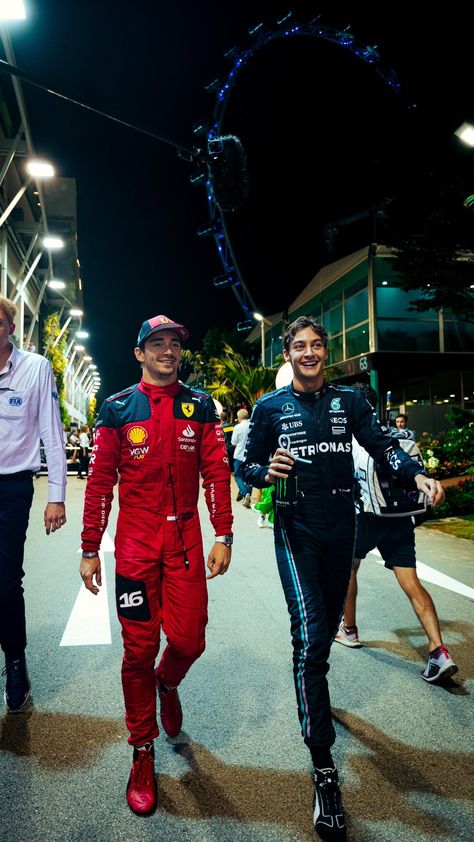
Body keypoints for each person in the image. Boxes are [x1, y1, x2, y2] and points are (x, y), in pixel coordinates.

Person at [241, 315, 443, 841]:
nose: (309, 353)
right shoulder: (269, 408)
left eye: (316, 346)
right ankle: (324, 768)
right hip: (296, 527)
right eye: (299, 346)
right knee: (308, 638)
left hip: (342, 525)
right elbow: (244, 463)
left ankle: (317, 698)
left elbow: (384, 446)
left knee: (326, 633)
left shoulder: (350, 401)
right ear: (287, 354)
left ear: (325, 352)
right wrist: (264, 474)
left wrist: (415, 472)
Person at [80, 313, 233, 815]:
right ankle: (142, 750)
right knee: (136, 653)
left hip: (186, 540)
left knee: (190, 640)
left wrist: (224, 533)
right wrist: (88, 548)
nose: (168, 350)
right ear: (140, 353)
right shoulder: (117, 408)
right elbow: (100, 483)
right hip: (136, 548)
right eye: (157, 343)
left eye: (174, 344)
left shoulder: (200, 404)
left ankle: (169, 683)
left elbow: (216, 472)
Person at [335, 383, 456, 683]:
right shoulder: (392, 436)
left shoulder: (353, 437)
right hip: (399, 519)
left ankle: (348, 630)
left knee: (349, 569)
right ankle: (438, 651)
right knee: (411, 583)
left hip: (364, 517)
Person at [0, 295, 67, 712]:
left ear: (10, 327)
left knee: (5, 581)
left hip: (12, 488)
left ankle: (16, 662)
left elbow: (51, 432)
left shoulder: (35, 368)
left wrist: (55, 496)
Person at [231, 408, 252, 507]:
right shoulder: (253, 426)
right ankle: (247, 493)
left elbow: (233, 442)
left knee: (237, 475)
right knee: (249, 475)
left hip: (239, 454)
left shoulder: (237, 427)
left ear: (239, 417)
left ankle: (244, 493)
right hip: (251, 455)